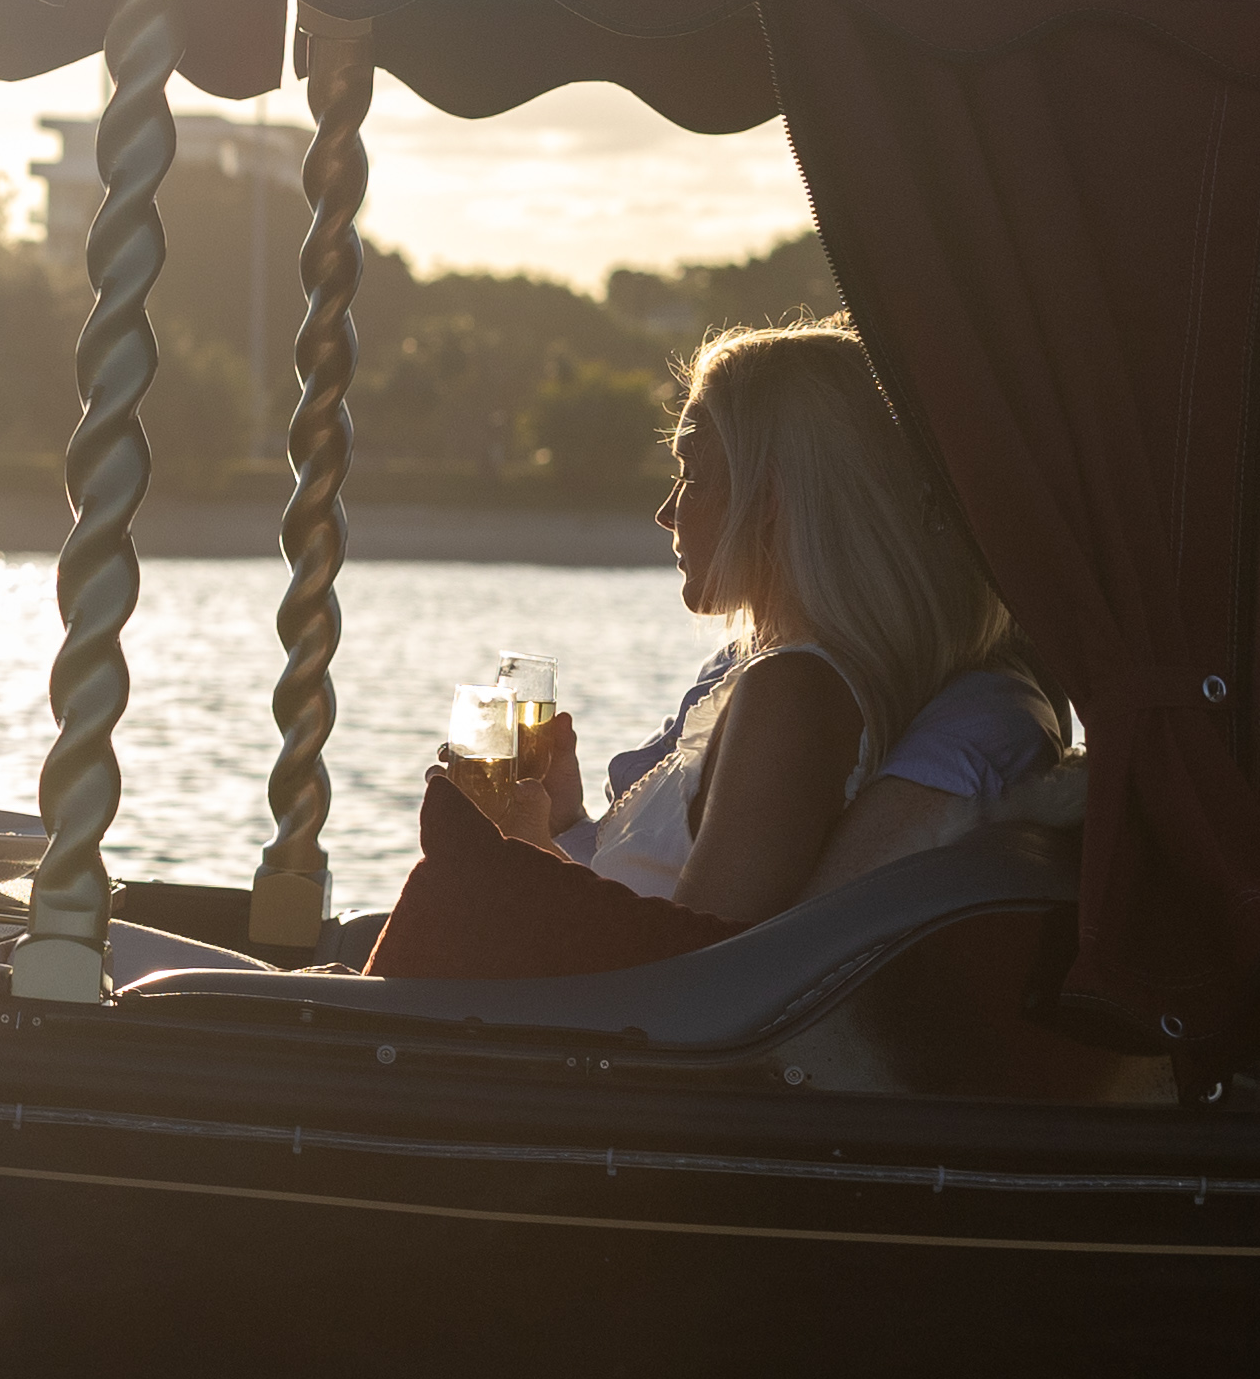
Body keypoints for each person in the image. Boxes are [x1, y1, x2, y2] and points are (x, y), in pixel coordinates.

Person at [449, 320, 1059, 930]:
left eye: (689, 474)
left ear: (770, 498)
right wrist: (562, 823)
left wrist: (519, 843)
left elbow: (688, 970)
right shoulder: (786, 675)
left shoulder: (795, 692)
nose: (666, 512)